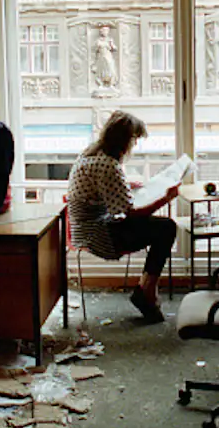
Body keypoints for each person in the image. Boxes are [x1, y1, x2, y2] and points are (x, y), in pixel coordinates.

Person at [67, 110, 178, 322]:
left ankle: (146, 289)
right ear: (125, 139)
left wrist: (125, 185)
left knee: (162, 227)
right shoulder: (108, 165)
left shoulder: (91, 153)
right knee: (166, 228)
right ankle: (146, 291)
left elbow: (102, 191)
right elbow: (131, 215)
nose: (134, 145)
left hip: (85, 228)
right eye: (134, 139)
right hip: (97, 236)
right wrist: (166, 198)